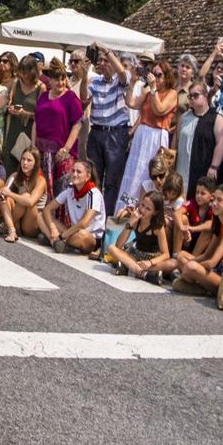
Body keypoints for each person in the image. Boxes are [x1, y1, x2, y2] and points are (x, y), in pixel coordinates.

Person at [118, 60, 176, 215]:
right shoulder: (148, 90)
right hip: (142, 134)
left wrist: (153, 90)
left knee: (149, 174)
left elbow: (159, 110)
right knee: (134, 175)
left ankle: (146, 212)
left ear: (167, 77)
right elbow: (131, 103)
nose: (155, 77)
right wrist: (132, 82)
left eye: (159, 75)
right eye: (153, 74)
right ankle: (127, 210)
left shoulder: (171, 93)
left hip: (156, 135)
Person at [173, 184, 223, 297]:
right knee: (181, 256)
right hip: (219, 270)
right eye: (213, 199)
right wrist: (188, 264)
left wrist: (190, 267)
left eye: (219, 200)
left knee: (191, 267)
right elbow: (207, 255)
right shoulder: (219, 222)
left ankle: (201, 286)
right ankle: (201, 286)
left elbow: (212, 262)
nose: (214, 203)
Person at [84, 47, 133, 213]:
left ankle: (106, 219)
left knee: (111, 181)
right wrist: (85, 76)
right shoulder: (95, 81)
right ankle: (92, 216)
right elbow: (84, 98)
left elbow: (123, 74)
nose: (103, 64)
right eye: (101, 62)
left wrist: (107, 51)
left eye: (106, 61)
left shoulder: (119, 80)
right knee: (93, 177)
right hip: (97, 131)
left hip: (115, 133)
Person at [33, 62, 85, 187]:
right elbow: (36, 121)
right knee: (42, 187)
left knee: (62, 189)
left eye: (62, 79)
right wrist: (32, 144)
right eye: (57, 80)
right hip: (41, 150)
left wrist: (66, 149)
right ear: (50, 80)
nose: (60, 83)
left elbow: (77, 124)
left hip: (61, 152)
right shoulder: (44, 96)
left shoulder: (71, 98)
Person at [105, 190, 172, 281]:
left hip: (152, 259)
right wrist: (130, 223)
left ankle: (128, 267)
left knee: (173, 263)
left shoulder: (157, 226)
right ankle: (141, 272)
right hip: (135, 255)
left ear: (155, 212)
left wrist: (150, 262)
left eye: (148, 209)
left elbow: (166, 254)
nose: (143, 210)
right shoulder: (136, 219)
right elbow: (119, 245)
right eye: (142, 205)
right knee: (111, 248)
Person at [43, 159, 104, 255]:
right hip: (72, 232)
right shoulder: (70, 189)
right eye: (73, 171)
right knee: (40, 215)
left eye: (79, 172)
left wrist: (62, 236)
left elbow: (84, 223)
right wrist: (53, 229)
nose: (74, 174)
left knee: (81, 235)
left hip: (90, 237)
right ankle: (55, 240)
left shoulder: (94, 193)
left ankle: (54, 241)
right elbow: (47, 209)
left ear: (87, 176)